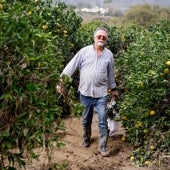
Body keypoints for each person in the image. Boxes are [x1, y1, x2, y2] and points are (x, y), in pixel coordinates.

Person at [57, 27, 119, 157]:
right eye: (99, 36)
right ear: (94, 38)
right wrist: (61, 82)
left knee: (102, 119)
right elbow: (71, 66)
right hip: (85, 93)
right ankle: (86, 139)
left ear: (106, 40)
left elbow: (111, 73)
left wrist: (113, 88)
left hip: (101, 93)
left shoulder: (109, 55)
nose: (101, 39)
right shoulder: (84, 52)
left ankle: (102, 147)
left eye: (104, 37)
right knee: (86, 120)